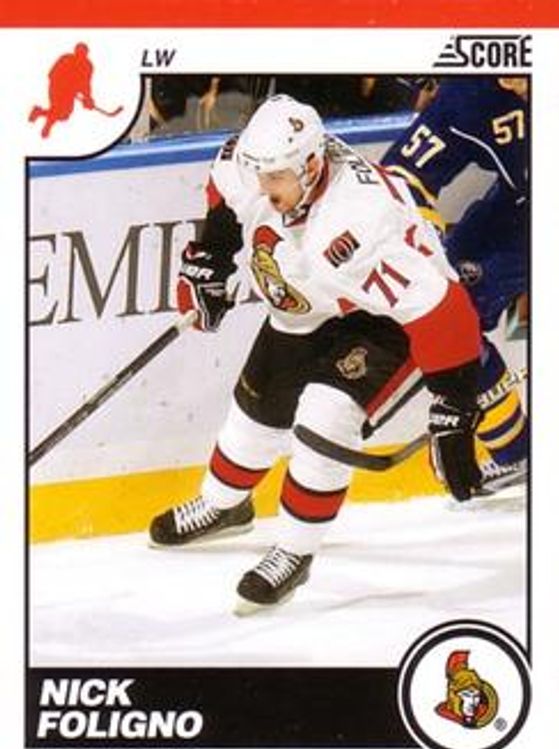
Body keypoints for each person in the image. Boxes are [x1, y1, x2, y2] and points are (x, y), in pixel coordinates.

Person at [149, 94, 482, 612]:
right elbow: (225, 197)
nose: (263, 187)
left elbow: (444, 311)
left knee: (326, 416)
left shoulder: (360, 224)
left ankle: (294, 550)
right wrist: (209, 260)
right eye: (259, 175)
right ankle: (223, 505)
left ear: (310, 166)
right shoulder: (256, 166)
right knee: (256, 411)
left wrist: (455, 408)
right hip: (310, 301)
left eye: (275, 178)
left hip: (383, 320)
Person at [381, 77, 529, 490]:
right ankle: (515, 450)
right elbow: (402, 178)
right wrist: (422, 246)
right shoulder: (472, 94)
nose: (510, 77)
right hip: (522, 208)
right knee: (452, 312)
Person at [28, 43, 95, 138]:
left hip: (70, 93)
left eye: (83, 52)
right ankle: (47, 126)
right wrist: (63, 86)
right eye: (79, 51)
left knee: (64, 116)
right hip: (56, 88)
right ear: (75, 51)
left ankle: (39, 112)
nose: (80, 54)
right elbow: (51, 74)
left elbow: (85, 83)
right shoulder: (65, 58)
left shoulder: (88, 66)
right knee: (56, 109)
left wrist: (87, 98)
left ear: (86, 53)